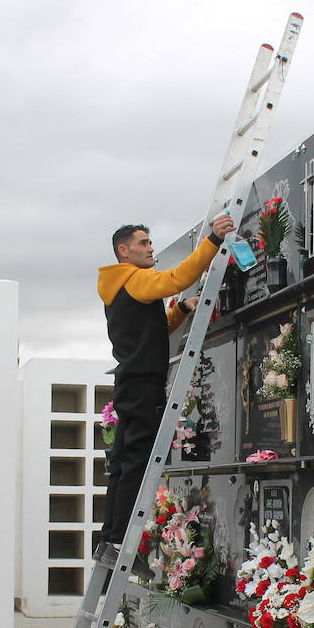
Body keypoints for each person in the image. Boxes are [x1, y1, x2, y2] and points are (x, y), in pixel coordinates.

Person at [96, 214, 235, 562]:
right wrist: (213, 241)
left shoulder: (121, 285)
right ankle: (117, 542)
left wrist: (182, 311)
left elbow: (154, 328)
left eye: (150, 241)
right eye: (143, 243)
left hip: (131, 381)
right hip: (143, 383)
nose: (150, 247)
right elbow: (177, 278)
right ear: (123, 251)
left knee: (124, 464)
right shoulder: (135, 278)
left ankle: (108, 539)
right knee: (137, 465)